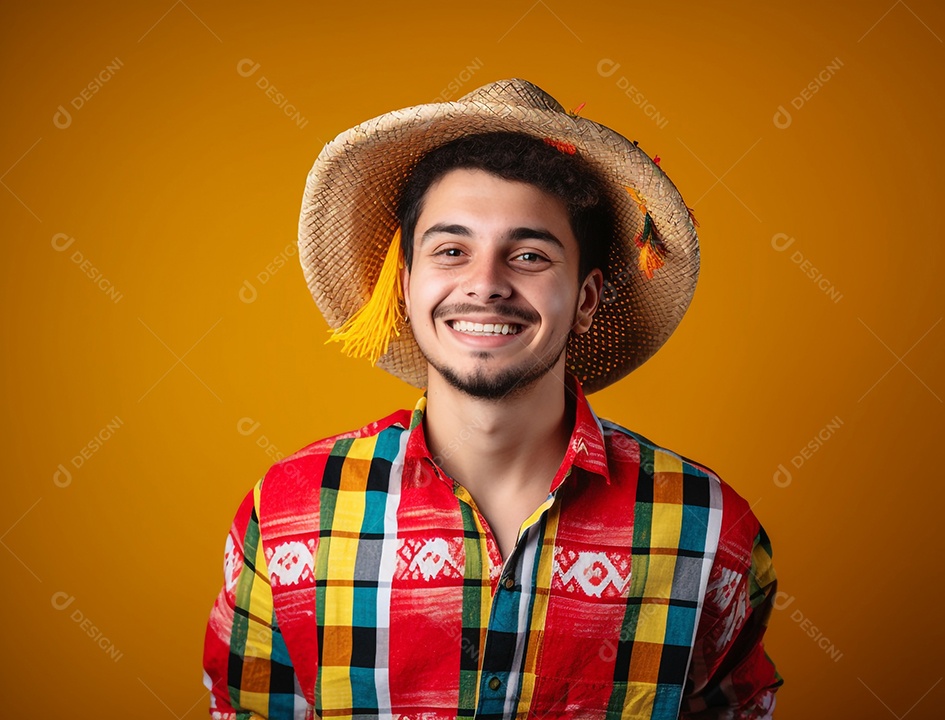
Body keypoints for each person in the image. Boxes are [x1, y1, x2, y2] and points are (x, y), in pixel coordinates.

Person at [203, 78, 783, 719]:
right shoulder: (289, 512)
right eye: (451, 250)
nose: (485, 284)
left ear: (587, 299)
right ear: (406, 285)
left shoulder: (709, 532)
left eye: (529, 255)